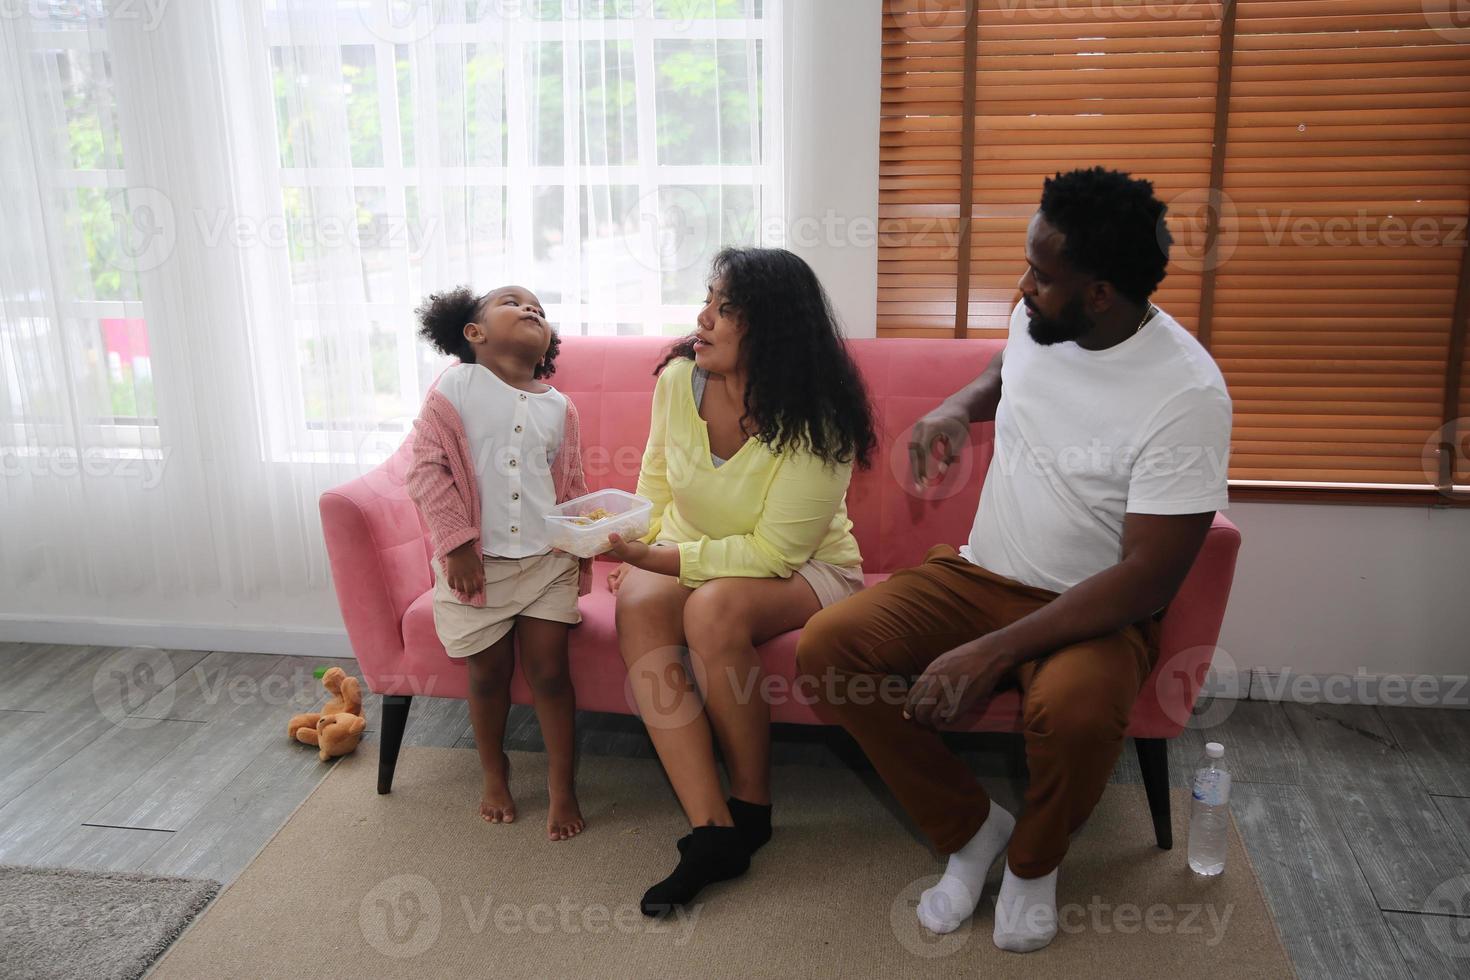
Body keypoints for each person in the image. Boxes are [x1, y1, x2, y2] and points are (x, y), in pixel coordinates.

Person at [796, 167, 1233, 952]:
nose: (1023, 285)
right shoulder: (1043, 319)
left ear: (1100, 293)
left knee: (1070, 711)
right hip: (979, 575)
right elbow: (1008, 372)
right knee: (831, 649)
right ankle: (971, 831)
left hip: (1096, 610)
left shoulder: (1187, 395)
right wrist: (956, 407)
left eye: (1042, 273)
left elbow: (1149, 579)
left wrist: (989, 652)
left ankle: (1035, 864)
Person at [603, 246, 878, 915]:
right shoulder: (678, 378)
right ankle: (713, 828)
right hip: (699, 549)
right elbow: (658, 473)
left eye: (725, 310)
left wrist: (667, 561)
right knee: (637, 601)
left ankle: (752, 807)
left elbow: (776, 552)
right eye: (709, 300)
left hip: (811, 568)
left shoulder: (820, 416)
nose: (703, 318)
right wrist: (640, 548)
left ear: (774, 329)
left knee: (714, 610)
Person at [406, 284, 593, 842]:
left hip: (545, 562)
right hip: (475, 564)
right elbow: (425, 469)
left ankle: (563, 784)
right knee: (487, 675)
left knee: (551, 675)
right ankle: (495, 772)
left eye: (540, 308)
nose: (532, 308)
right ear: (475, 333)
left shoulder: (560, 407)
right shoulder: (455, 388)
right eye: (514, 302)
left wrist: (584, 543)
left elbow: (570, 485)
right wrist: (457, 544)